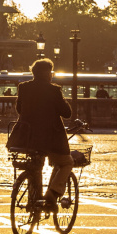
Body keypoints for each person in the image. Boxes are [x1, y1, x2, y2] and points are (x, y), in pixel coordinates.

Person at [15, 58, 74, 212]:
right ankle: (52, 194)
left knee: (35, 167)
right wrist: (62, 99)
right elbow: (67, 113)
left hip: (26, 138)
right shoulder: (54, 90)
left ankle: (32, 201)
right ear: (47, 73)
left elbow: (19, 109)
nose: (52, 75)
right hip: (50, 140)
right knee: (66, 162)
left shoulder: (23, 87)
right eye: (51, 72)